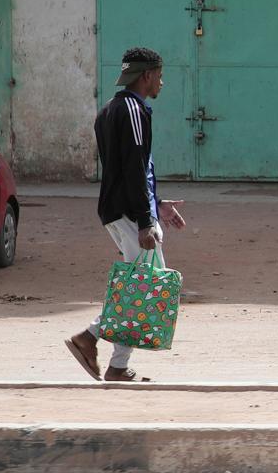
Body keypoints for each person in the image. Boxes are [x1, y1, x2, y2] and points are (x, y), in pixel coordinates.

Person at [64, 47, 186, 382]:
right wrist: (146, 219)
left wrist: (157, 204)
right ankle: (89, 337)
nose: (161, 82)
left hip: (122, 210)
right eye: (159, 76)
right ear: (146, 76)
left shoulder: (110, 109)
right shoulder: (132, 110)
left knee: (141, 282)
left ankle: (118, 365)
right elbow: (133, 167)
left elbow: (134, 169)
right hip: (129, 213)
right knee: (142, 286)